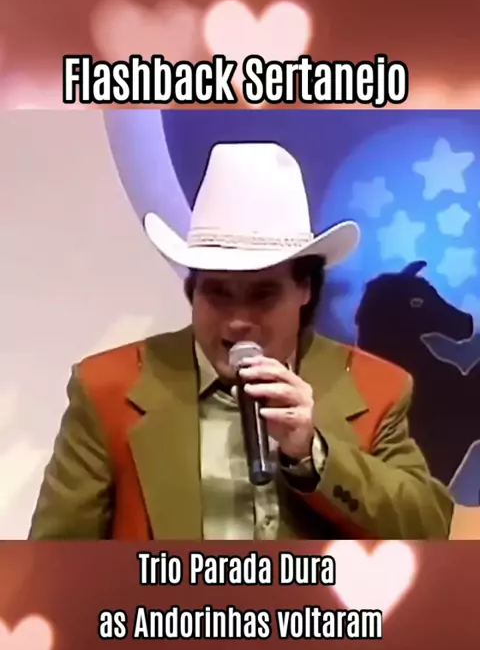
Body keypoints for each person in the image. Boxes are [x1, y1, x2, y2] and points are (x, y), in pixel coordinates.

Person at [29, 142, 454, 540]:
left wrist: (313, 453)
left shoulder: (377, 387)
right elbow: (56, 563)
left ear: (304, 289)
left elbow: (427, 528)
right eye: (217, 293)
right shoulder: (106, 388)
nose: (237, 322)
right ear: (193, 290)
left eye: (262, 295)